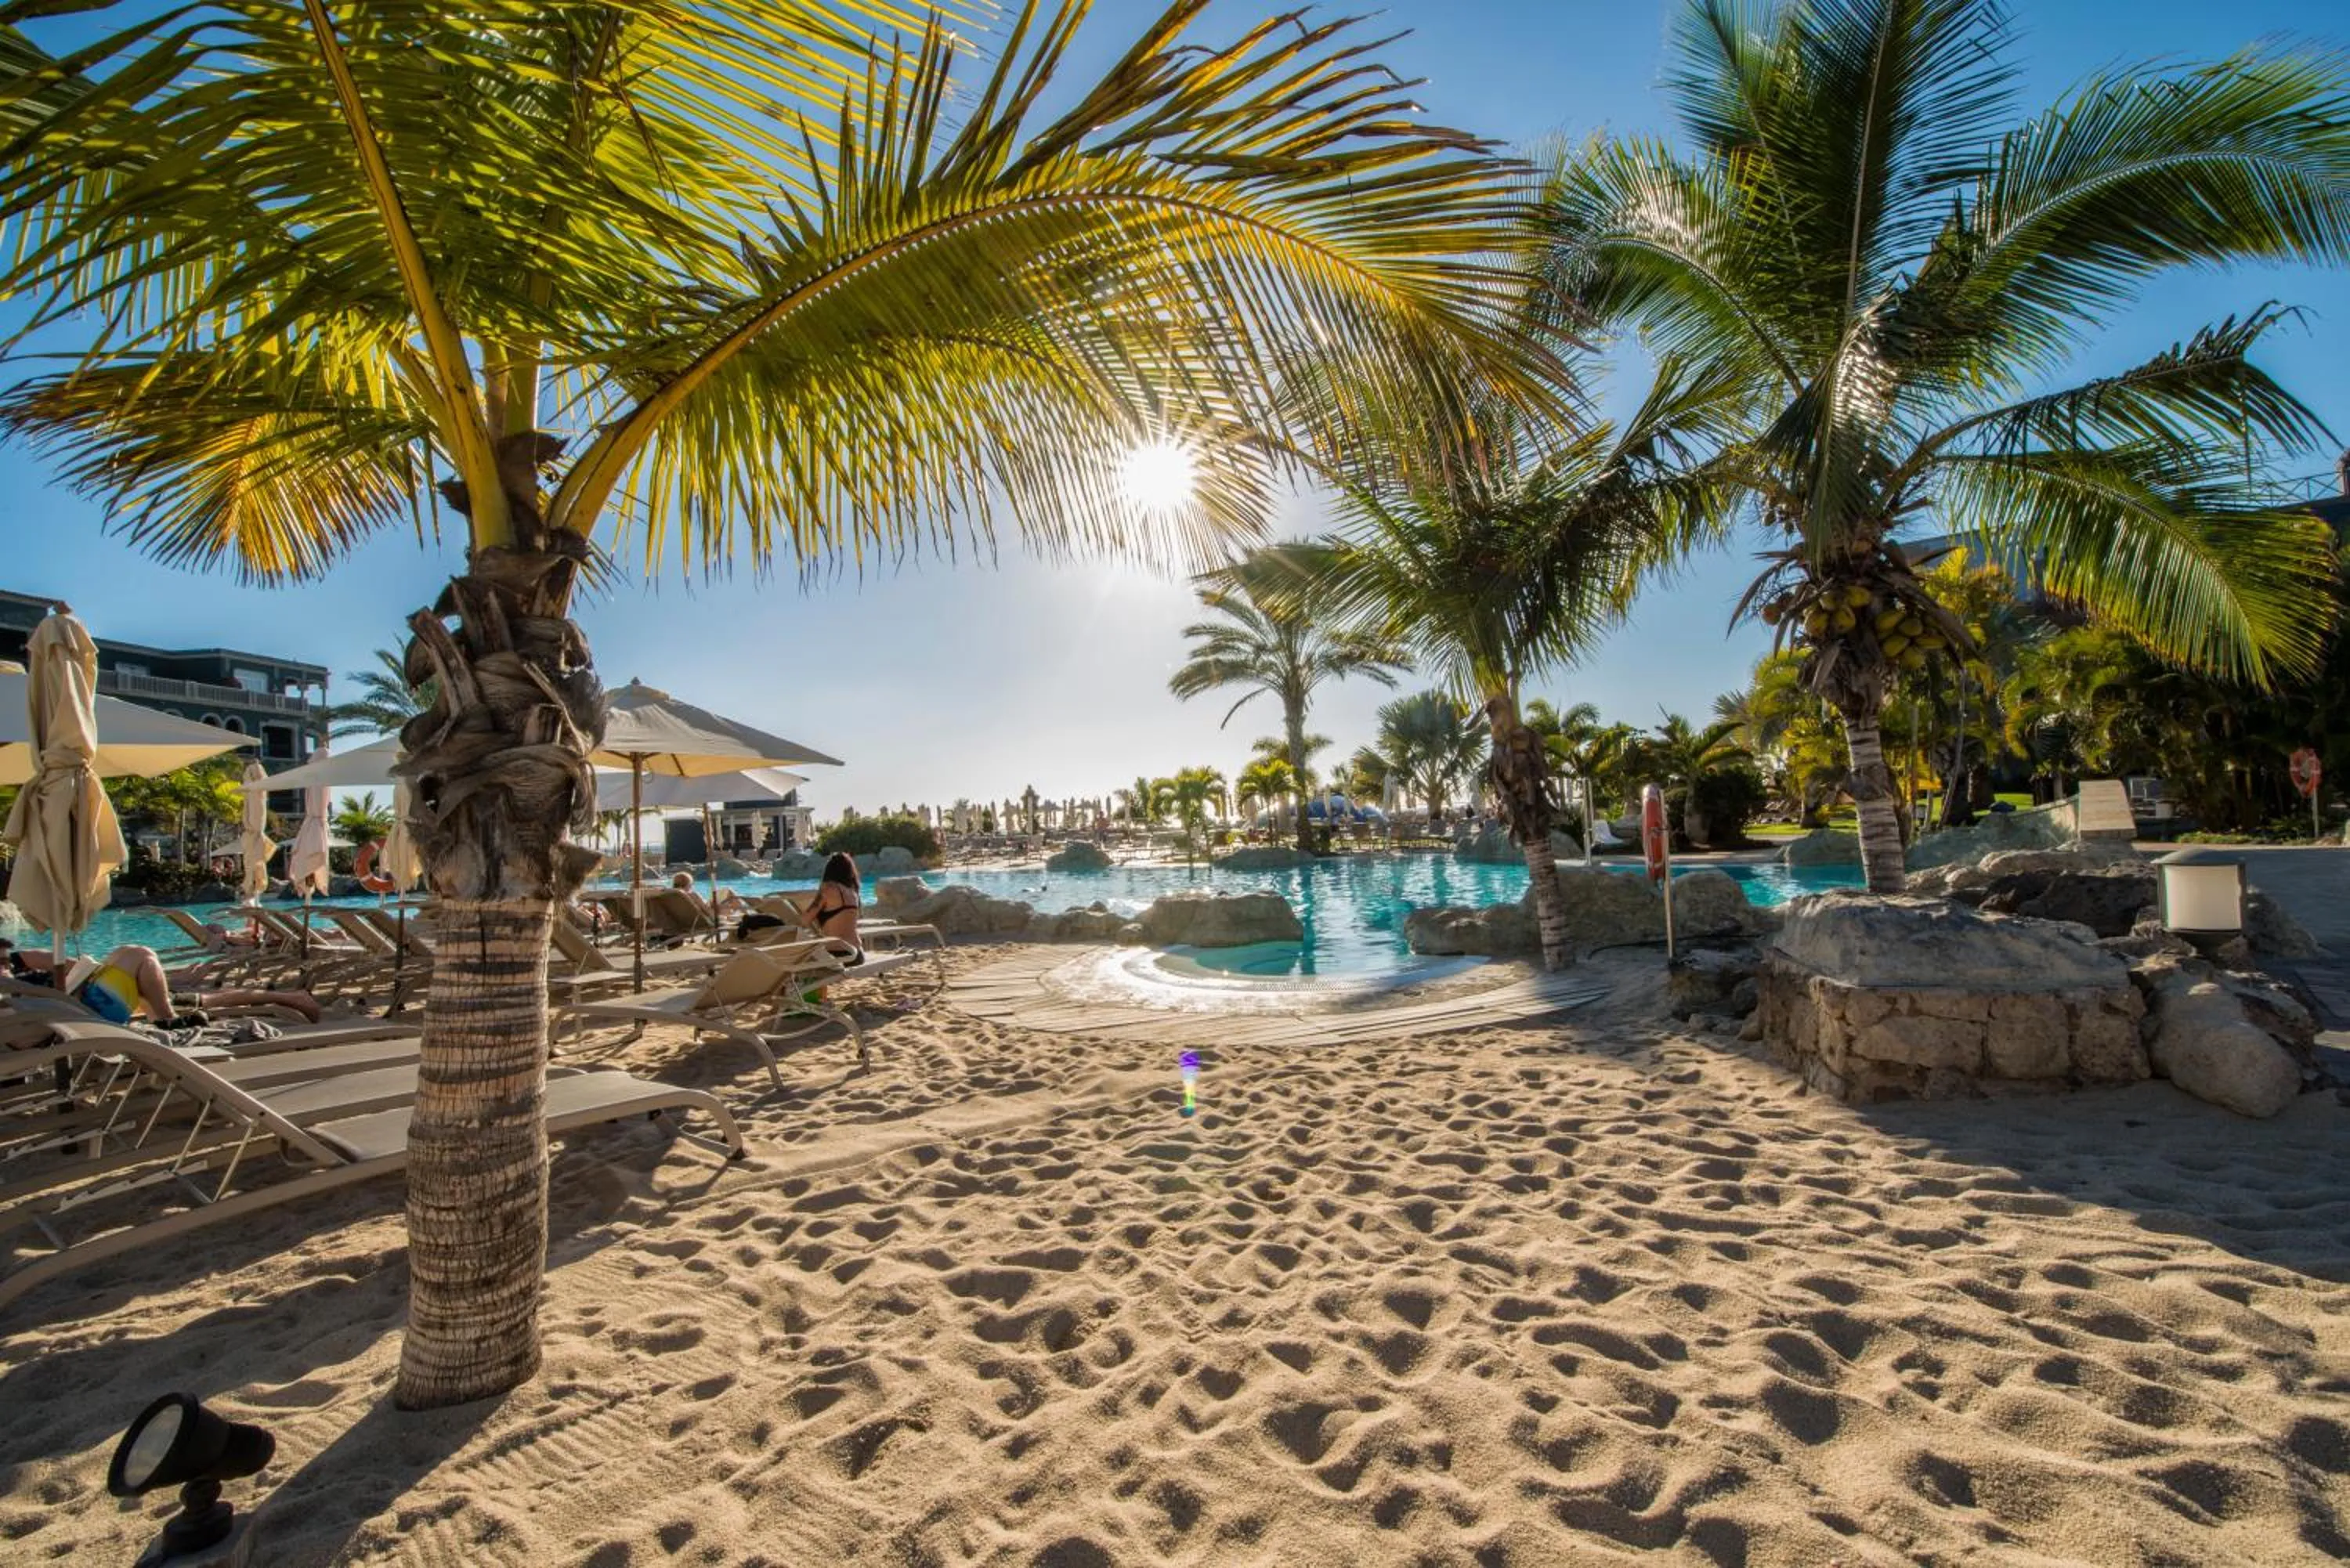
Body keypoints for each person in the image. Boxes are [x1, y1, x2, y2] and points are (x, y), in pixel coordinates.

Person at [0, 938, 324, 1025]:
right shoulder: (10, 995)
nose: (5, 962)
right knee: (137, 952)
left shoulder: (23, 960)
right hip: (88, 1016)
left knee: (203, 1000)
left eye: (5, 958)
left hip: (94, 1001)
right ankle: (166, 1013)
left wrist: (175, 978)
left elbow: (89, 967)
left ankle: (291, 997)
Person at [804, 851, 862, 961]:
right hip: (857, 954)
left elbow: (805, 920)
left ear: (829, 870)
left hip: (837, 955)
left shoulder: (828, 889)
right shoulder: (853, 892)